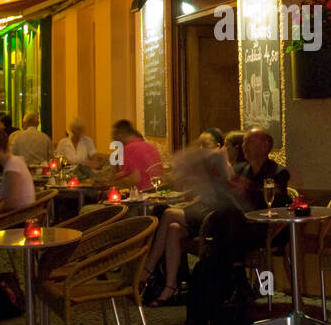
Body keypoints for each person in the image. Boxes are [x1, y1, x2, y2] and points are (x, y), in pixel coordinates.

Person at [140, 137, 242, 306]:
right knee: (173, 228)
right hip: (206, 212)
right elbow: (204, 195)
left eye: (227, 146)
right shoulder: (212, 167)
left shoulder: (229, 167)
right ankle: (170, 287)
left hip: (217, 218)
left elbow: (225, 198)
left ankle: (148, 269)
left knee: (168, 214)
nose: (224, 149)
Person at [232, 128, 291, 210]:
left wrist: (247, 186)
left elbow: (277, 203)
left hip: (264, 219)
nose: (244, 145)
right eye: (243, 141)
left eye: (249, 141)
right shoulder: (238, 169)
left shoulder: (279, 172)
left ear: (265, 146)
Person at [104, 119, 163, 189]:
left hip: (141, 195)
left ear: (120, 135)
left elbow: (134, 179)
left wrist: (112, 184)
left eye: (114, 137)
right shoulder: (150, 146)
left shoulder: (129, 149)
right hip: (157, 192)